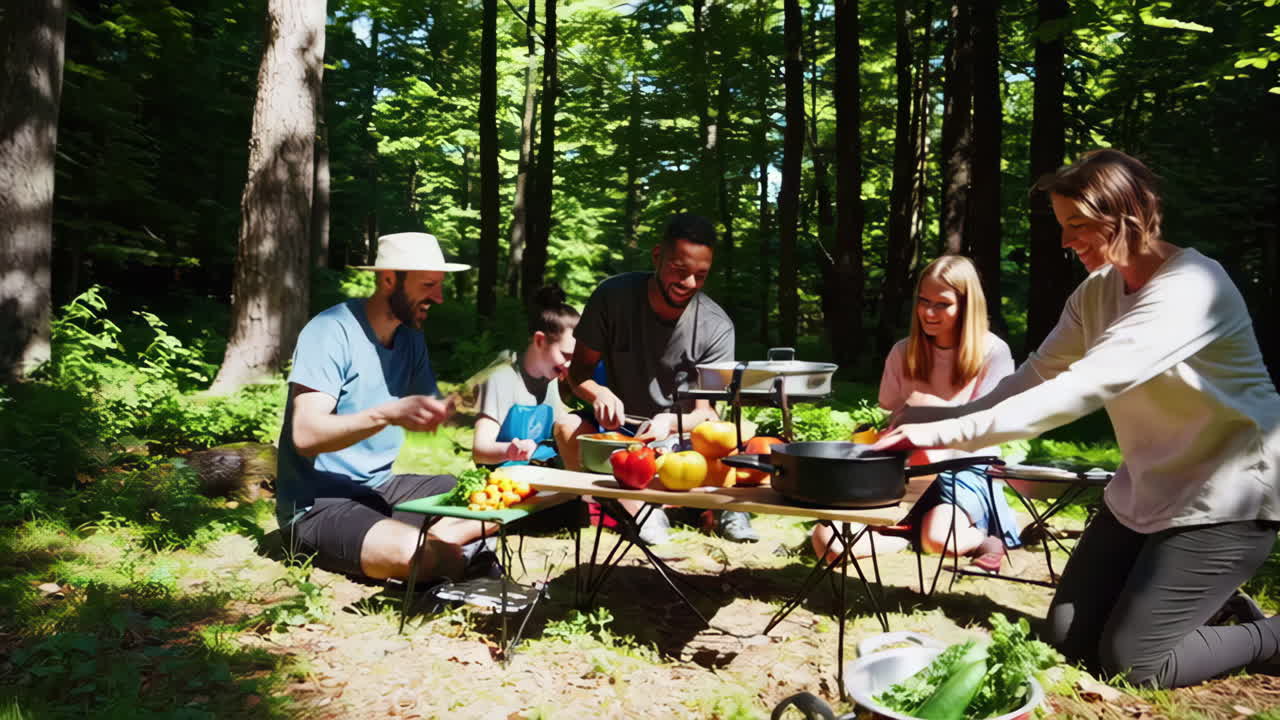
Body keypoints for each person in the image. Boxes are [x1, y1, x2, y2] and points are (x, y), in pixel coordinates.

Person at [873, 149, 1280, 689]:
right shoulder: (1098, 291)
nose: (1067, 241)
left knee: (1133, 663)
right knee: (1066, 638)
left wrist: (940, 431)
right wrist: (938, 419)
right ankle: (1195, 601)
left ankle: (1267, 636)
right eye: (1064, 226)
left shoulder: (1193, 288)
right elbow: (1034, 377)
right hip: (1147, 487)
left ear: (1131, 213)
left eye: (1080, 225)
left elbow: (1080, 389)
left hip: (1230, 495)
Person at [276, 232, 488, 583]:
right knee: (415, 554)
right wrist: (386, 413)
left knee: (487, 500)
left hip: (379, 489)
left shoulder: (410, 337)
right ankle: (441, 549)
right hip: (319, 504)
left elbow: (432, 410)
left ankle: (440, 547)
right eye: (429, 285)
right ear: (389, 279)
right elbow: (306, 435)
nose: (438, 297)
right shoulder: (330, 331)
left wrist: (487, 395)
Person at [553, 213, 758, 544]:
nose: (689, 283)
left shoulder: (716, 326)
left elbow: (707, 413)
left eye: (700, 276)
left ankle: (716, 509)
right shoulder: (612, 297)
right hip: (620, 433)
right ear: (657, 255)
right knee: (566, 428)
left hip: (683, 436)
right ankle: (625, 510)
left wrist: (670, 423)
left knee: (724, 440)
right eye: (680, 270)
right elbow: (578, 375)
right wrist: (598, 393)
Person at [811, 255, 1021, 571]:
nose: (928, 312)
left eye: (942, 304)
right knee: (827, 539)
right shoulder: (903, 351)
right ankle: (907, 537)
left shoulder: (993, 352)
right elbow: (890, 408)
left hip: (963, 469)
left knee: (940, 541)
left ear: (967, 306)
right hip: (906, 471)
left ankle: (982, 538)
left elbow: (987, 422)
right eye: (923, 301)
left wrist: (925, 421)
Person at [471, 285, 578, 467]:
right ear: (539, 340)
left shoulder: (552, 378)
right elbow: (480, 450)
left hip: (542, 476)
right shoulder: (501, 379)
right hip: (504, 485)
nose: (569, 366)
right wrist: (510, 451)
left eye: (574, 359)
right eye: (565, 355)